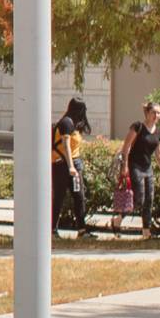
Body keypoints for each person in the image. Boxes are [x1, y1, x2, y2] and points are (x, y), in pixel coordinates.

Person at [121, 102, 160, 239]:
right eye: (154, 112)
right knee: (139, 199)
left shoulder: (158, 131)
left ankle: (146, 232)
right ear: (148, 113)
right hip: (135, 165)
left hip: (148, 167)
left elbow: (158, 153)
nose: (156, 115)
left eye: (158, 113)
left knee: (149, 200)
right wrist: (125, 166)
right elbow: (126, 146)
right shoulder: (138, 127)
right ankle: (118, 219)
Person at [50, 100, 88, 239]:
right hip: (62, 165)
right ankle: (52, 230)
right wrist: (71, 166)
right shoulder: (66, 123)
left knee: (79, 196)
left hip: (75, 164)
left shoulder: (73, 124)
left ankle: (82, 230)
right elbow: (66, 146)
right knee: (59, 197)